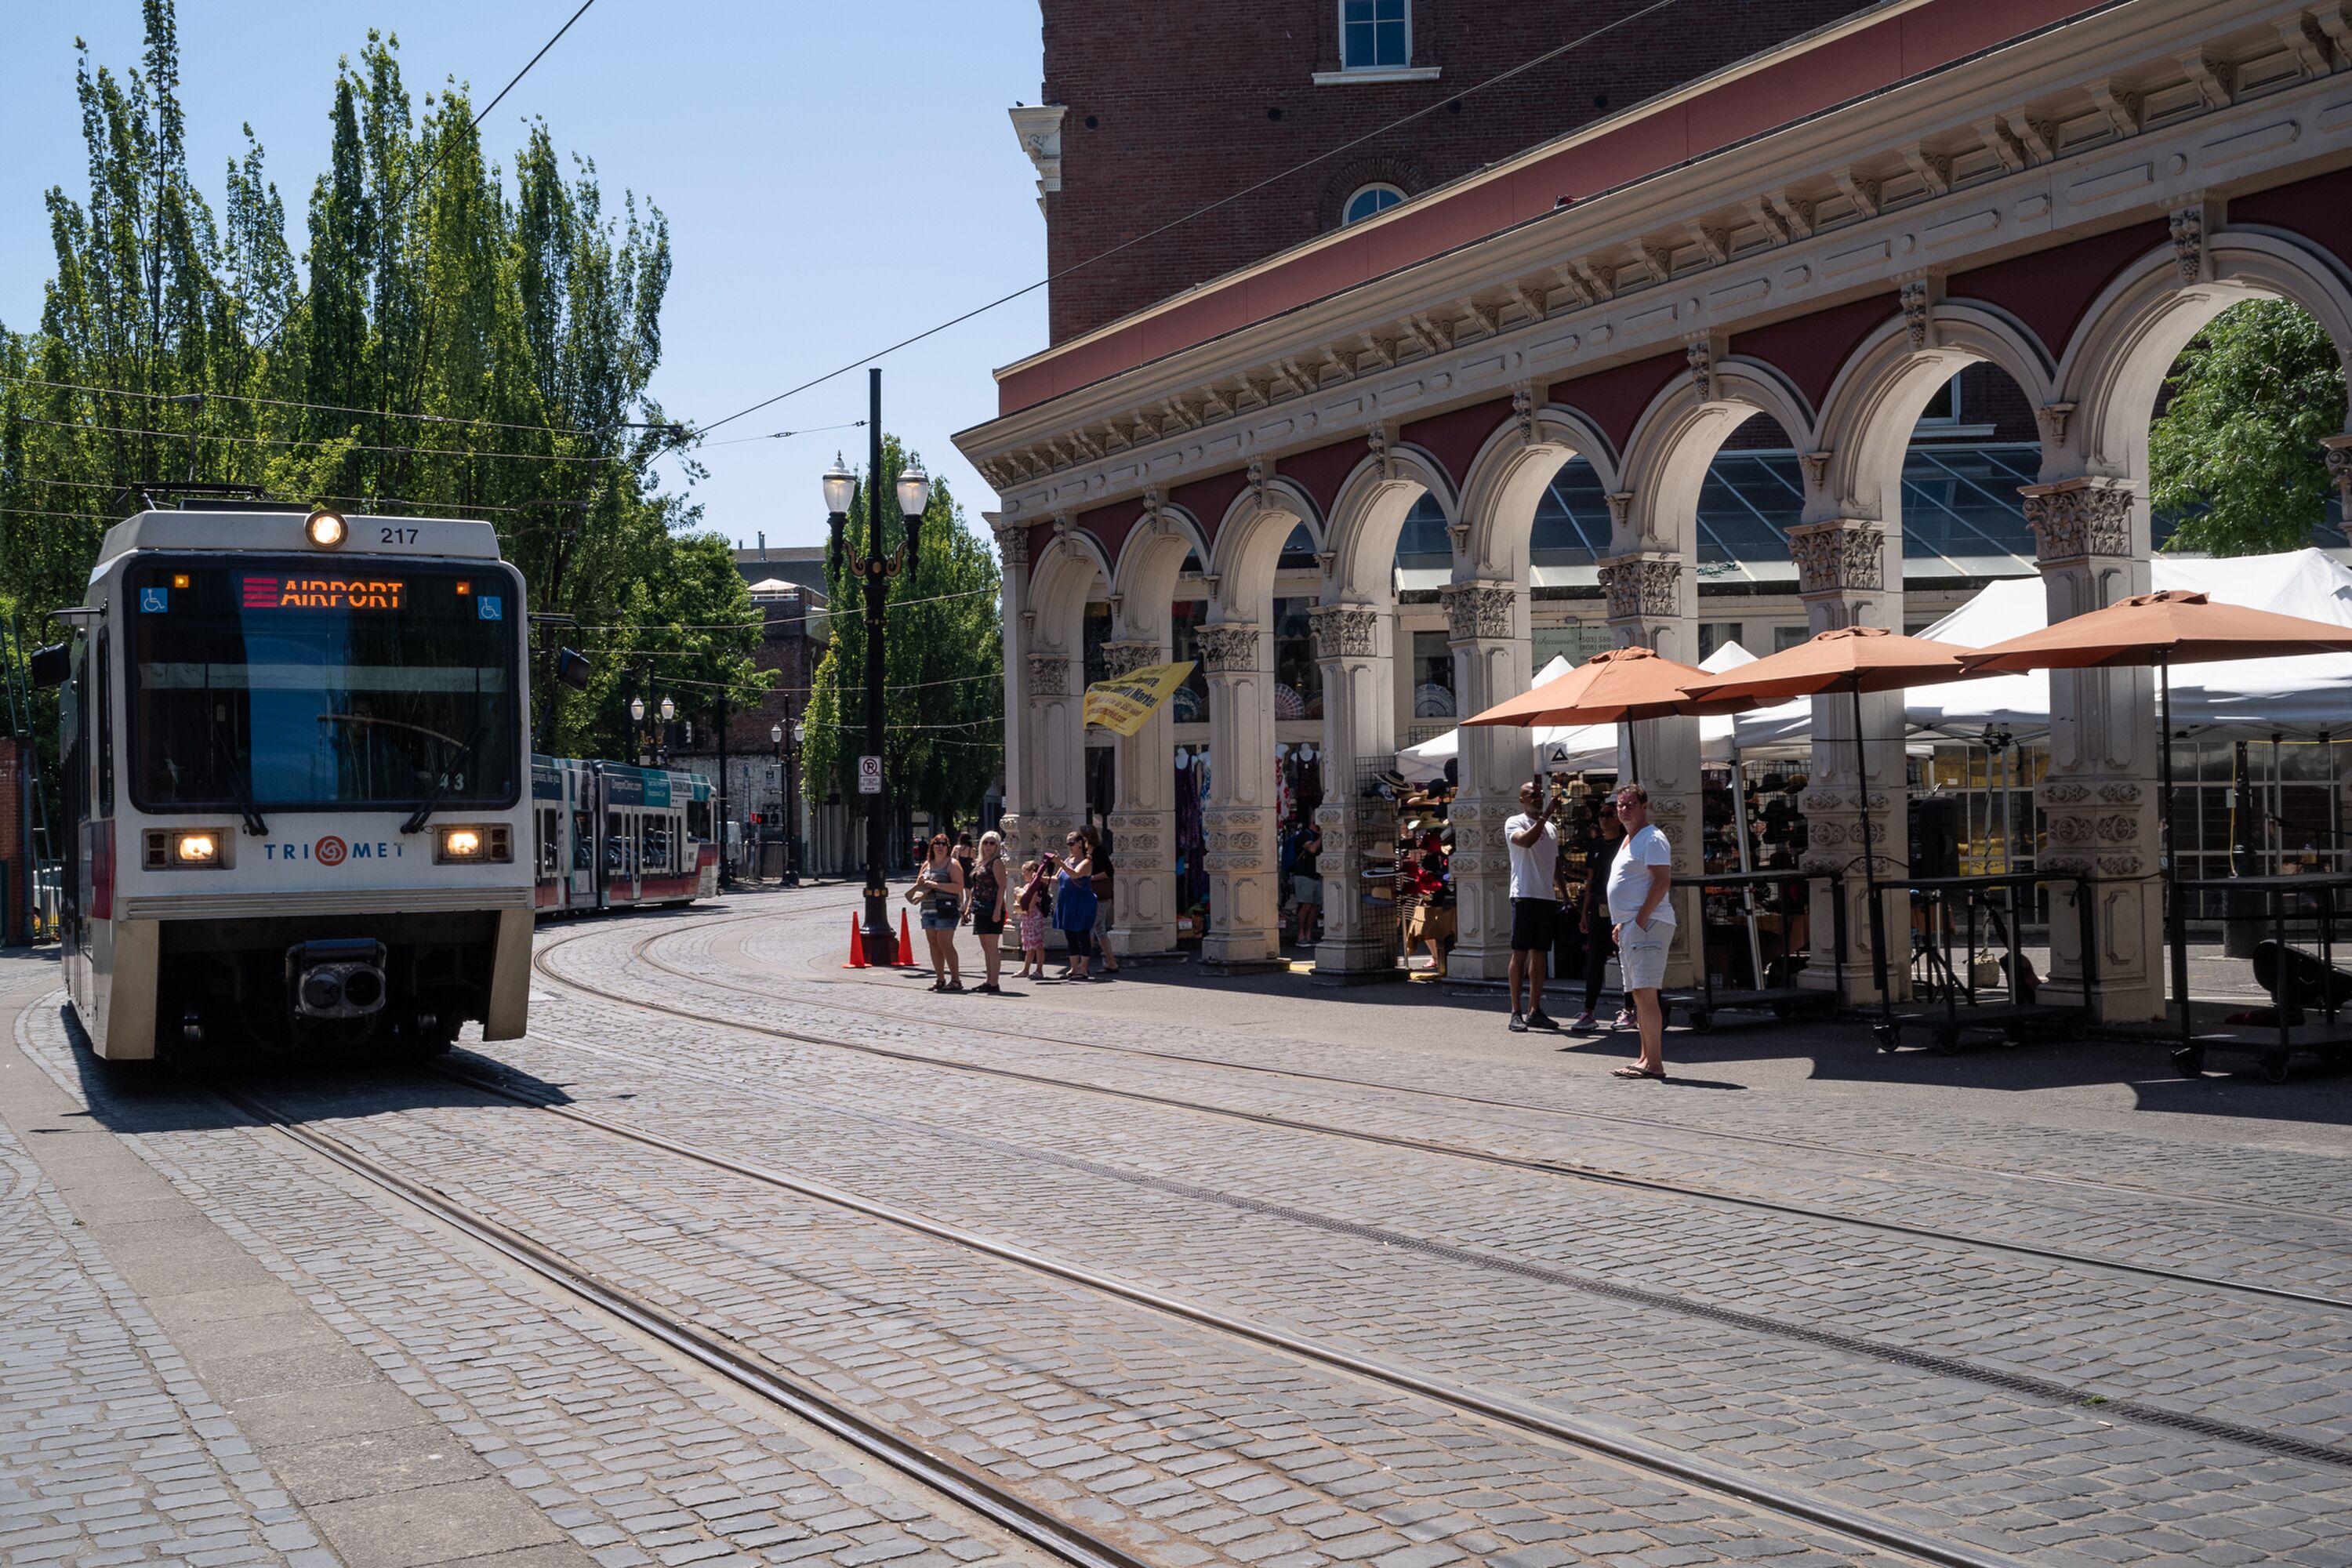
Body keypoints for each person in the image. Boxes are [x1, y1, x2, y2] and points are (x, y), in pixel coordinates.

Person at [1607, 783, 1675, 1079]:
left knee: (1647, 994)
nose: (1624, 809)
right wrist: (1625, 921)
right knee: (1638, 994)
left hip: (1647, 925)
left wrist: (1640, 919)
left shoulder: (1653, 838)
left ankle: (1655, 1063)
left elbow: (1662, 882)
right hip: (1633, 926)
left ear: (1645, 807)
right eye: (1621, 805)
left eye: (1631, 804)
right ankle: (1645, 1057)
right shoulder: (1629, 840)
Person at [1504, 779, 1560, 1033]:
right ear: (1522, 800)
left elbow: (1555, 862)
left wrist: (1566, 894)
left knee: (1540, 954)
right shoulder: (1515, 822)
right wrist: (1545, 815)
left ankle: (1535, 1009)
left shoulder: (1551, 828)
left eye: (1539, 794)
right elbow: (1525, 842)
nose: (1537, 798)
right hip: (1524, 894)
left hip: (1546, 896)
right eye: (1531, 795)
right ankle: (1516, 1011)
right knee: (1520, 952)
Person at [1571, 802, 1627, 1031]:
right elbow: (1590, 882)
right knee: (1594, 960)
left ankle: (1630, 1009)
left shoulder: (1626, 843)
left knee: (1625, 960)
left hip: (1621, 908)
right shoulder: (1595, 846)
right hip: (1599, 906)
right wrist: (1584, 912)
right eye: (1601, 814)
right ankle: (1588, 1011)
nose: (1604, 819)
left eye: (1609, 815)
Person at [914, 833, 966, 992]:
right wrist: (922, 883)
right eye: (937, 843)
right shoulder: (927, 864)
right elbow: (918, 885)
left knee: (945, 942)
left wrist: (936, 885)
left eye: (944, 844)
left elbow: (958, 886)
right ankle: (940, 979)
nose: (940, 846)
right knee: (933, 943)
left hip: (947, 908)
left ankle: (956, 980)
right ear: (932, 846)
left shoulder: (952, 864)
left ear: (948, 847)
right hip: (928, 909)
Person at [1051, 831, 1099, 981]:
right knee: (1070, 935)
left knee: (1082, 934)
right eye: (1068, 843)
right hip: (1067, 901)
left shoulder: (1086, 862)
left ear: (1080, 844)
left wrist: (1060, 863)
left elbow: (1075, 875)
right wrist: (1039, 878)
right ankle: (1073, 967)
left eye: (1072, 843)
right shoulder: (1067, 860)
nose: (1069, 846)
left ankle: (1084, 968)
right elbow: (1057, 878)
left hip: (1082, 902)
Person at [967, 830, 1010, 993]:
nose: (988, 846)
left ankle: (994, 982)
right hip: (980, 907)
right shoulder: (981, 862)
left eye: (992, 843)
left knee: (992, 947)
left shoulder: (997, 863)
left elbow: (1001, 887)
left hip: (992, 907)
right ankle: (989, 980)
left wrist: (998, 910)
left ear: (997, 846)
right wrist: (969, 904)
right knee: (985, 946)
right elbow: (975, 886)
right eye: (986, 842)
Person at [1083, 825, 1120, 975]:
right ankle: (1111, 962)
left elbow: (1109, 871)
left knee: (1091, 927)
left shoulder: (1098, 851)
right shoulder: (1086, 852)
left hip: (1100, 895)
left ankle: (1083, 964)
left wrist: (1091, 878)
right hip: (1092, 894)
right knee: (1099, 929)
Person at [1015, 858, 1051, 980]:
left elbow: (1030, 903)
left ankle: (1039, 970)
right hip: (1028, 918)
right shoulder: (1028, 886)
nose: (1023, 874)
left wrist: (1020, 896)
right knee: (1030, 945)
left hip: (1033, 917)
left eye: (1025, 871)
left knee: (1037, 945)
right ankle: (1026, 969)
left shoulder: (1035, 887)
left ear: (1032, 872)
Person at [1290, 821, 1323, 948]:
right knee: (1306, 906)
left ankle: (1308, 935)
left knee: (1315, 907)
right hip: (1304, 876)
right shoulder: (1305, 835)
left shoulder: (1314, 836)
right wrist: (1321, 837)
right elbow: (1312, 849)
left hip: (1315, 875)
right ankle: (1300, 936)